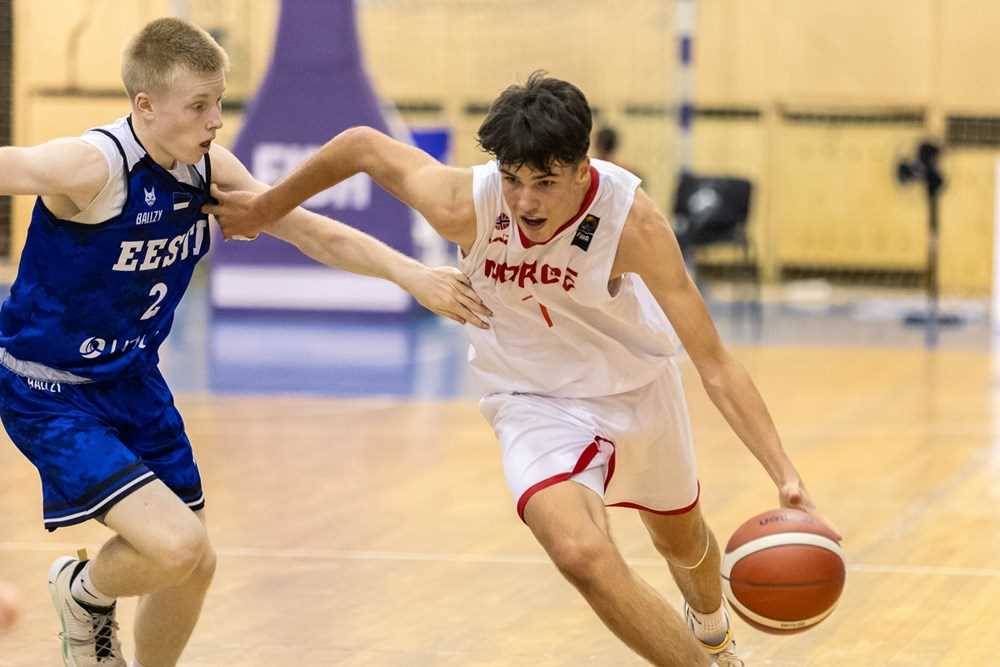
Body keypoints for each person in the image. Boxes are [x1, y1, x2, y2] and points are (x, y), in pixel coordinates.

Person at [206, 72, 840, 667]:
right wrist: (264, 210)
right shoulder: (469, 205)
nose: (525, 201)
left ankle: (711, 631)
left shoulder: (633, 225)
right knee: (581, 554)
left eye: (544, 181)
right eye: (513, 179)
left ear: (583, 169)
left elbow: (718, 365)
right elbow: (362, 147)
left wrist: (785, 475)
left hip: (636, 386)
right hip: (531, 397)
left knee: (683, 545)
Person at [0, 17, 489, 667]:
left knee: (193, 564)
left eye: (220, 102)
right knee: (177, 547)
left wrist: (413, 274)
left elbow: (312, 231)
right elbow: (19, 164)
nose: (215, 121)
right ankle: (83, 593)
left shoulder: (209, 171)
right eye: (199, 106)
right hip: (50, 387)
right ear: (145, 105)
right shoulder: (95, 166)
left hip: (133, 381)